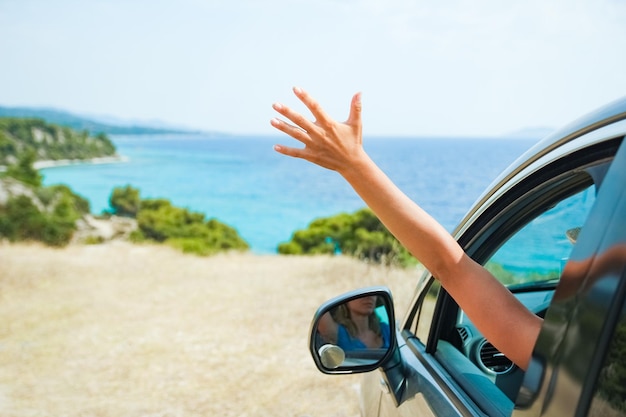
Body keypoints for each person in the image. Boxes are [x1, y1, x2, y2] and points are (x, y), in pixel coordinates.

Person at [270, 87, 542, 371]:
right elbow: (448, 265)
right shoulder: (572, 362)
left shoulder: (568, 356)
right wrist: (352, 163)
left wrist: (352, 164)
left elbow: (451, 265)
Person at [317, 296, 391, 351]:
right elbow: (318, 306)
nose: (369, 297)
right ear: (346, 300)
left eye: (373, 293)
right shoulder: (339, 333)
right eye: (361, 293)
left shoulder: (386, 329)